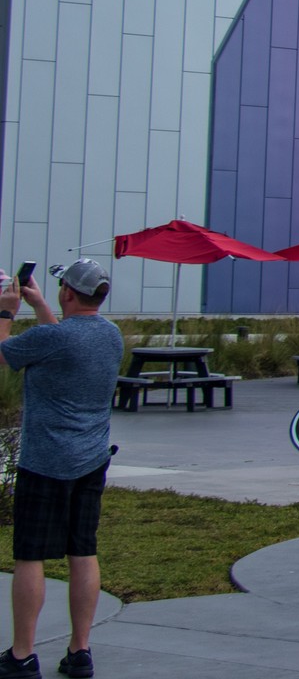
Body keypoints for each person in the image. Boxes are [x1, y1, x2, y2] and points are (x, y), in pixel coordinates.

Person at [0, 260, 122, 679]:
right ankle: (80, 651)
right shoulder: (110, 336)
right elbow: (63, 341)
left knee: (30, 556)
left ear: (67, 292)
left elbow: (3, 354)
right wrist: (37, 305)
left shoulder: (52, 338)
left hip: (45, 463)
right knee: (82, 552)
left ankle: (21, 655)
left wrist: (6, 312)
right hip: (91, 461)